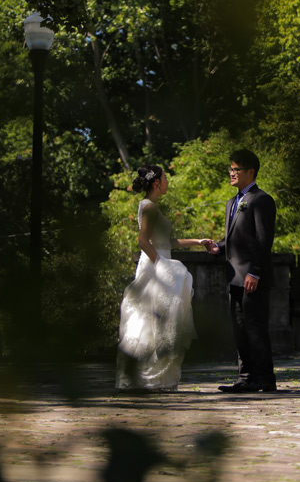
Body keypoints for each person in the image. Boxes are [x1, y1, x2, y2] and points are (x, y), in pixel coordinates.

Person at [116, 164, 214, 392]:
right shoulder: (149, 207)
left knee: (162, 323)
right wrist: (161, 265)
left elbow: (167, 243)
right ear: (157, 183)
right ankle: (145, 377)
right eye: (166, 178)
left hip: (159, 268)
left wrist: (198, 242)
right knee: (149, 322)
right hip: (154, 271)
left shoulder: (153, 208)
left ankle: (157, 378)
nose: (168, 182)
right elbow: (143, 241)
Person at [208, 149, 278, 393]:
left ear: (251, 172)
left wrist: (255, 272)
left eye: (236, 169)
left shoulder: (261, 200)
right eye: (231, 169)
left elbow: (262, 240)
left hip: (252, 278)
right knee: (239, 328)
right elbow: (236, 239)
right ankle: (246, 377)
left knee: (256, 328)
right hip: (234, 277)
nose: (231, 173)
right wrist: (218, 246)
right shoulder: (232, 202)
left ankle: (265, 378)